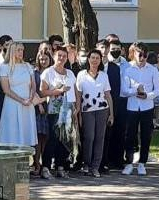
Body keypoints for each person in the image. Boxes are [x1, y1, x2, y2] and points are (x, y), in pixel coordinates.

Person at [121, 42, 159, 176]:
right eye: (139, 55)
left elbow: (158, 89)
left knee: (146, 135)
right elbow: (124, 90)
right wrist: (135, 90)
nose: (142, 58)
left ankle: (142, 163)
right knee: (129, 136)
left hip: (147, 107)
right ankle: (129, 163)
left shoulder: (152, 69)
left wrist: (147, 95)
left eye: (144, 55)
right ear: (134, 54)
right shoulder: (128, 69)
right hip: (132, 107)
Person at [39, 47, 77, 179]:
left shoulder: (70, 73)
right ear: (54, 56)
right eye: (59, 55)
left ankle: (60, 167)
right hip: (54, 110)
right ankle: (45, 167)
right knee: (53, 138)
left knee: (65, 139)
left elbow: (75, 91)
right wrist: (58, 91)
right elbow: (42, 92)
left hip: (68, 109)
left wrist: (76, 106)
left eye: (64, 56)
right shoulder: (48, 72)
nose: (61, 58)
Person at [75, 50, 114, 178]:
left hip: (102, 110)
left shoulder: (103, 75)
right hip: (87, 110)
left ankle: (95, 167)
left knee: (99, 138)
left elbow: (108, 95)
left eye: (97, 58)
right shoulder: (81, 75)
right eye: (92, 57)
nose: (95, 60)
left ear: (100, 60)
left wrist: (111, 114)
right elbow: (78, 95)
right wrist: (78, 113)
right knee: (89, 137)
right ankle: (86, 164)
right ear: (88, 59)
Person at [0, 42, 38, 147]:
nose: (21, 52)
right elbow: (6, 89)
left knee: (26, 131)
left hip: (27, 103)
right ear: (12, 51)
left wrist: (30, 98)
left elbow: (33, 84)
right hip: (12, 103)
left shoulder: (27, 66)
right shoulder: (4, 67)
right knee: (12, 133)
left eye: (22, 50)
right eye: (18, 50)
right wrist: (22, 100)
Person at [105, 39, 127, 170]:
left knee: (120, 131)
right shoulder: (105, 64)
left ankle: (118, 160)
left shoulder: (126, 65)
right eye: (113, 49)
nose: (115, 51)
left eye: (118, 49)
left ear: (122, 50)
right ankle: (107, 160)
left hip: (122, 101)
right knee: (108, 131)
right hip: (108, 100)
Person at [33, 50, 52, 176]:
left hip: (51, 105)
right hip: (37, 107)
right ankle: (36, 164)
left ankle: (45, 164)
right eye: (41, 59)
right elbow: (33, 90)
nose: (43, 61)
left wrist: (45, 100)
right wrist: (39, 103)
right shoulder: (35, 73)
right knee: (38, 137)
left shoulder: (52, 72)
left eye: (46, 59)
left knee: (47, 137)